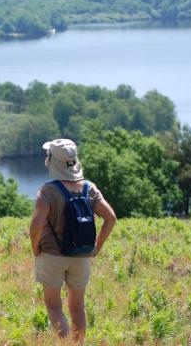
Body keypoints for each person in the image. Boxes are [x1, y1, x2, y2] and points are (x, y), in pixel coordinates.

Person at [29, 139, 116, 342]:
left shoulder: (48, 191)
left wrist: (35, 248)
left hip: (51, 255)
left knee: (53, 306)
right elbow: (111, 218)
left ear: (53, 162)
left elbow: (36, 226)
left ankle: (66, 343)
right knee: (77, 307)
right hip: (82, 255)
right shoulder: (89, 188)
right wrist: (96, 247)